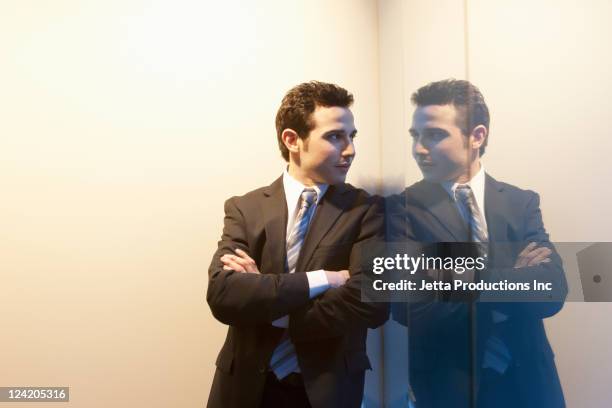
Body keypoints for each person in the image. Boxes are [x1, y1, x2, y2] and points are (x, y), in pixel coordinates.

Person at [206, 81, 388, 408]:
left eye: (352, 136)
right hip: (245, 390)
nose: (350, 149)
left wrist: (268, 302)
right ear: (292, 140)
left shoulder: (366, 210)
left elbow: (372, 301)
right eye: (335, 136)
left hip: (326, 392)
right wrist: (324, 280)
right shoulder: (245, 208)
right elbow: (223, 295)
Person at [388, 79, 567, 407]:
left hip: (529, 381)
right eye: (416, 135)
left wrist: (450, 277)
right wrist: (512, 276)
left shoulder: (520, 202)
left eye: (435, 134)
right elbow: (411, 307)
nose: (419, 148)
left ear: (477, 135)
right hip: (448, 386)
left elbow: (553, 291)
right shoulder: (402, 209)